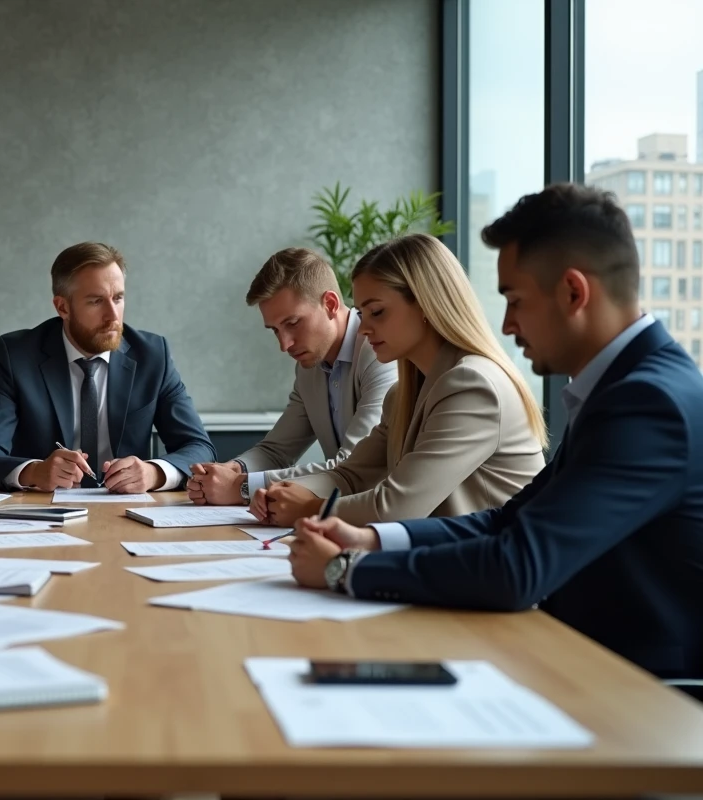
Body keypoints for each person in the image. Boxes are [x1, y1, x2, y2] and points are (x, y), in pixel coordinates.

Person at [287, 184, 703, 679]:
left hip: (633, 694)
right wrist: (370, 540)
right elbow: (507, 521)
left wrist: (346, 570)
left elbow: (518, 566)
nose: (506, 325)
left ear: (574, 292)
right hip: (576, 660)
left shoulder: (646, 403)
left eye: (515, 300)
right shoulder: (625, 387)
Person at [251, 232, 546, 526]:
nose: (363, 328)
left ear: (426, 304)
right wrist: (283, 493)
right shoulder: (403, 395)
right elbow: (351, 474)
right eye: (362, 312)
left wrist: (310, 508)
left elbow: (397, 506)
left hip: (495, 567)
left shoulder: (473, 384)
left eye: (377, 312)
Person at [0, 241, 215, 492]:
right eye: (96, 301)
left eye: (118, 298)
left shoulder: (151, 355)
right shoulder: (17, 355)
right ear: (63, 307)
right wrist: (33, 471)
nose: (113, 316)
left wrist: (154, 473)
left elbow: (199, 448)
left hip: (126, 510)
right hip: (41, 513)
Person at [186, 248, 396, 506]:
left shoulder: (380, 352)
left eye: (293, 323)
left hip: (382, 519)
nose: (284, 345)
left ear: (330, 304)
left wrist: (240, 487)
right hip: (334, 518)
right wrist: (232, 470)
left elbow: (351, 465)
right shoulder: (309, 366)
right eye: (275, 330)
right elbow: (276, 451)